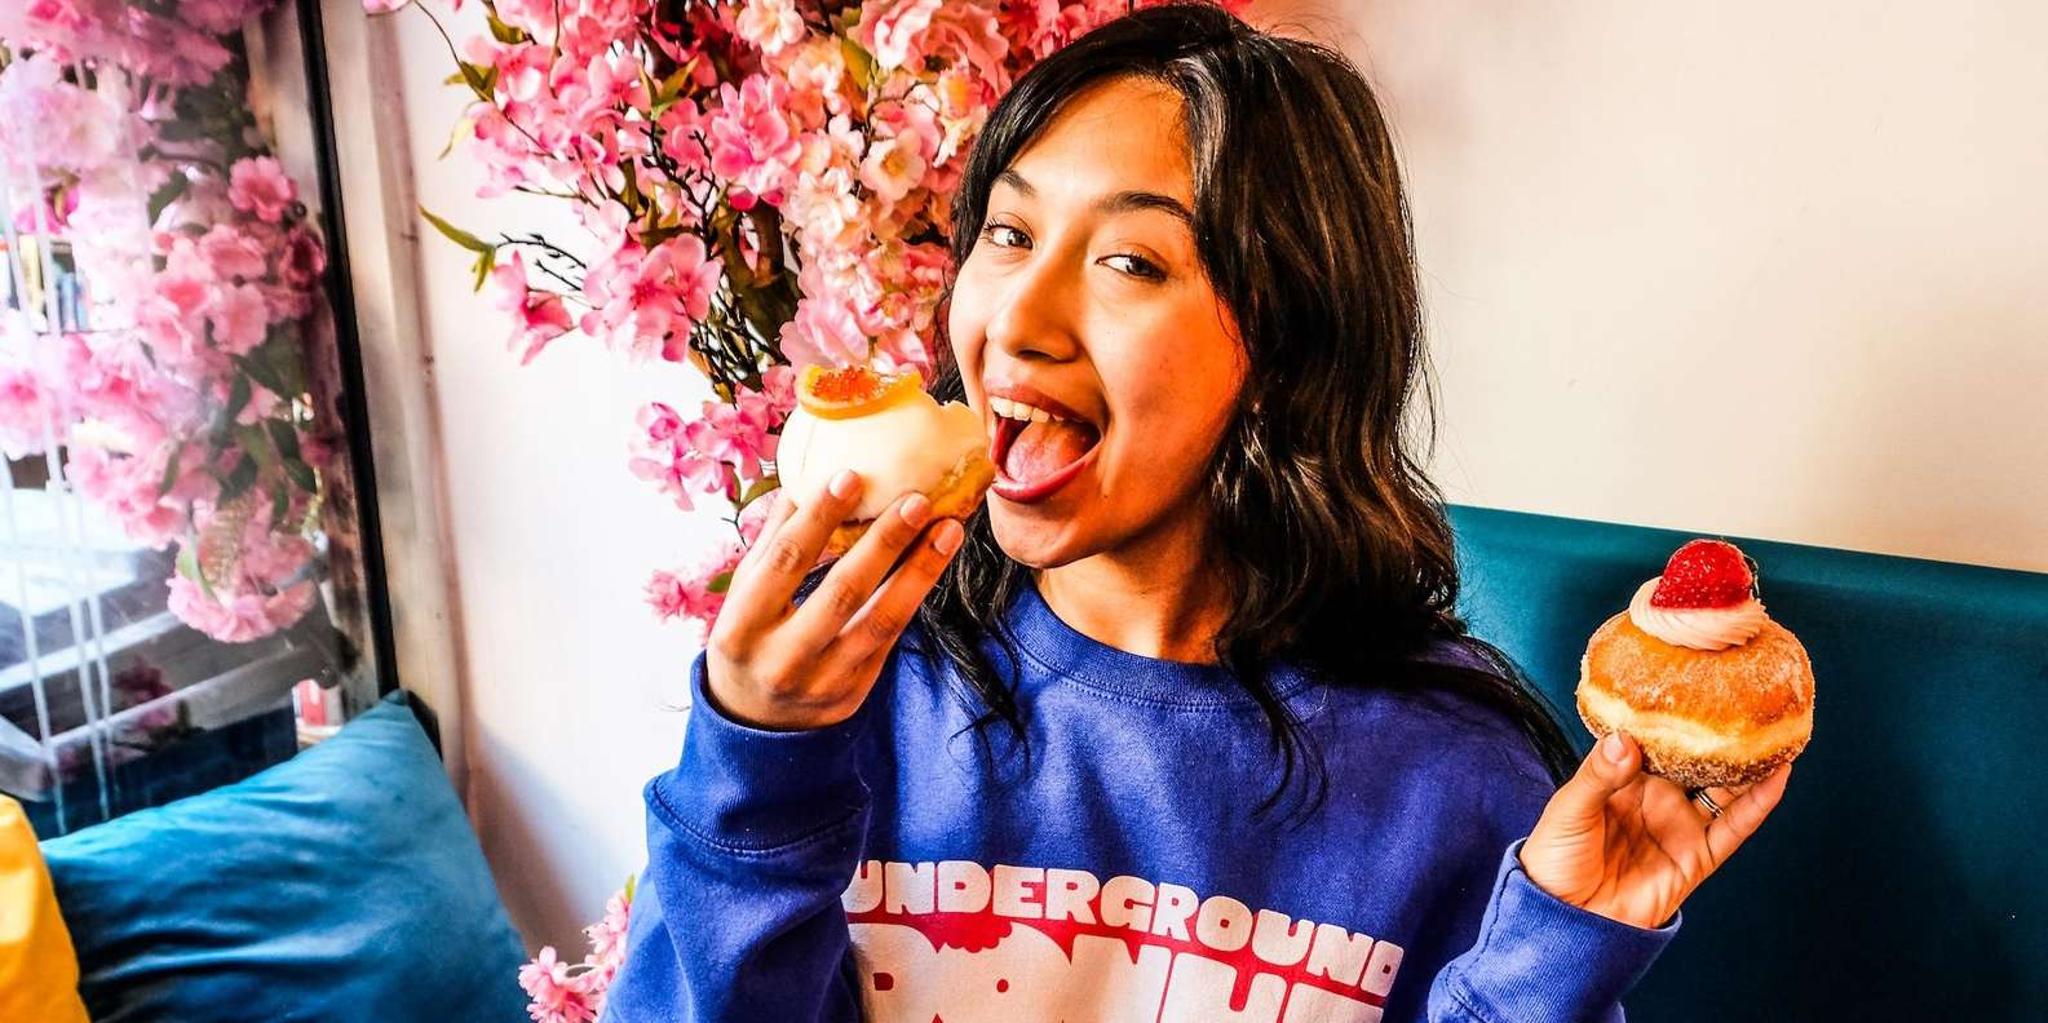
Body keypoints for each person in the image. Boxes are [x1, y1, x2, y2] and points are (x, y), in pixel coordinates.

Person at [601, 4, 1792, 1020]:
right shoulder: (846, 697)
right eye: (1006, 234)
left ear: (1281, 344)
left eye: (1131, 262)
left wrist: (1554, 959)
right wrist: (756, 774)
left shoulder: (1452, 783)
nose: (1016, 320)